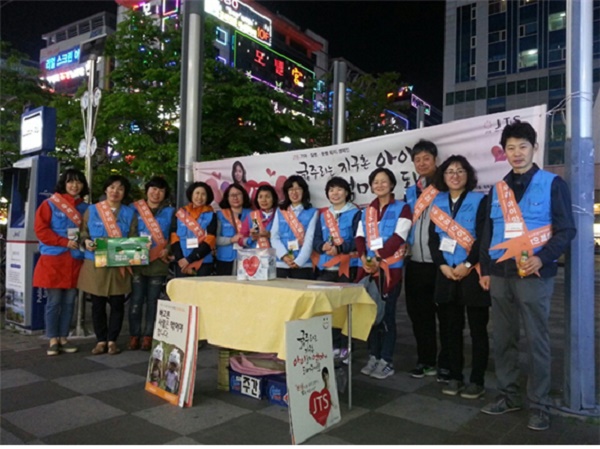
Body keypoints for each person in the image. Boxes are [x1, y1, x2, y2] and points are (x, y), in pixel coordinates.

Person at [479, 121, 576, 431]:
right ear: (503, 152)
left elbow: (566, 229)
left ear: (535, 148)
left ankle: (540, 404)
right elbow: (488, 234)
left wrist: (542, 258)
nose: (516, 153)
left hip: (534, 274)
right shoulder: (498, 189)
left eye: (522, 146)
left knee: (537, 340)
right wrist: (486, 269)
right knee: (503, 338)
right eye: (510, 148)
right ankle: (508, 395)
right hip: (501, 275)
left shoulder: (552, 184)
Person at [428, 155, 490, 399]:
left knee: (477, 329)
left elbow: (483, 237)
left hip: (472, 272)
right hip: (446, 273)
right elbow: (433, 239)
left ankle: (477, 380)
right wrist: (441, 265)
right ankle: (455, 376)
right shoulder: (437, 201)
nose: (455, 175)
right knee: (449, 328)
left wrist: (467, 263)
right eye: (450, 171)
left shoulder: (480, 200)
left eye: (460, 171)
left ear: (468, 175)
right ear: (443, 176)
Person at [356, 168, 412, 380]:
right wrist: (363, 257)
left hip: (390, 270)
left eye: (384, 181)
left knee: (387, 315)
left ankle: (386, 360)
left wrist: (378, 259)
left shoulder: (403, 208)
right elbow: (360, 236)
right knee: (371, 314)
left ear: (391, 184)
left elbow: (399, 236)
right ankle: (373, 355)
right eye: (375, 182)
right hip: (369, 269)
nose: (379, 185)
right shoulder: (367, 210)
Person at [404, 139, 450, 382]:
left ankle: (446, 364)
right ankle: (426, 360)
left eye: (426, 159)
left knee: (445, 316)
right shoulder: (411, 191)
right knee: (419, 315)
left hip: (440, 263)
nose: (422, 163)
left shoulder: (446, 187)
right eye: (417, 159)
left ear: (436, 160)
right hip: (414, 262)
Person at [78, 175, 137, 355]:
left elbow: (133, 238)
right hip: (96, 263)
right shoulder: (93, 210)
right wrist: (86, 241)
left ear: (124, 192)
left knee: (118, 304)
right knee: (97, 304)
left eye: (120, 188)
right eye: (112, 187)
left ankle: (113, 340)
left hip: (118, 264)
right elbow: (83, 232)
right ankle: (100, 340)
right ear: (106, 190)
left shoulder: (129, 213)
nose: (115, 191)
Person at [33, 168, 90, 356]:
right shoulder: (50, 204)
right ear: (63, 184)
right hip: (54, 259)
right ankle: (52, 338)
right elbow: (41, 230)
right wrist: (64, 242)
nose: (75, 185)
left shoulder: (85, 208)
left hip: (74, 261)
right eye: (70, 182)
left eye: (78, 182)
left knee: (69, 302)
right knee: (54, 301)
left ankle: (64, 337)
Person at [313, 177, 360, 357]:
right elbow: (317, 239)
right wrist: (321, 247)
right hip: (327, 268)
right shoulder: (324, 215)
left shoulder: (356, 213)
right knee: (327, 308)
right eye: (331, 190)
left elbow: (358, 240)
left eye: (339, 189)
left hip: (348, 267)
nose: (335, 193)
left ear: (347, 192)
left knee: (345, 308)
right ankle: (331, 344)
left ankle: (346, 346)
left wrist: (340, 248)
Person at [128, 176, 174, 351]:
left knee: (153, 301)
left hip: (158, 262)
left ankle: (148, 335)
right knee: (136, 300)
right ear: (147, 190)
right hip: (137, 261)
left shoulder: (170, 212)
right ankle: (134, 335)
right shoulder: (133, 209)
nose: (156, 193)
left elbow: (173, 234)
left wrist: (168, 248)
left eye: (161, 190)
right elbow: (126, 231)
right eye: (153, 189)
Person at [270, 175, 318, 280]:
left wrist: (299, 261)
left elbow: (309, 240)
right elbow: (274, 237)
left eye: (298, 189)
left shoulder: (313, 212)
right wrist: (284, 256)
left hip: (303, 265)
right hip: (281, 263)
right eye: (291, 189)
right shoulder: (280, 211)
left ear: (304, 191)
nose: (294, 192)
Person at [170, 181, 217, 277]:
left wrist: (190, 259)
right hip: (181, 262)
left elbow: (210, 240)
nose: (199, 197)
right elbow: (174, 237)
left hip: (203, 262)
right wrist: (180, 258)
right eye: (197, 193)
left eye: (203, 194)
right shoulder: (180, 213)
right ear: (191, 194)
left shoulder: (211, 215)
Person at [215, 183, 252, 275]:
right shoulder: (220, 215)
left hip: (248, 258)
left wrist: (251, 235)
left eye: (238, 194)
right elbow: (214, 239)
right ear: (227, 198)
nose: (235, 198)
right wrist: (231, 240)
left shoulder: (253, 214)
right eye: (232, 195)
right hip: (225, 258)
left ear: (244, 196)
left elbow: (257, 233)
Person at [240, 184, 278, 249]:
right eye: (260, 197)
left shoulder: (279, 215)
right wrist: (251, 238)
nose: (263, 200)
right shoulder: (252, 216)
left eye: (267, 197)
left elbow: (287, 237)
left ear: (273, 199)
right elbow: (240, 240)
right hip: (255, 256)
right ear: (257, 199)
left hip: (275, 255)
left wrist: (271, 235)